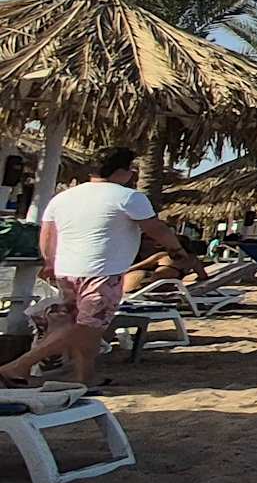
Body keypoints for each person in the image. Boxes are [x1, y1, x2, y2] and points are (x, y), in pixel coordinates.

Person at [1, 149, 197, 388]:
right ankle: (17, 367)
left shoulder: (63, 198)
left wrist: (50, 262)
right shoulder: (128, 197)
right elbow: (156, 229)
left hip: (67, 271)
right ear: (122, 171)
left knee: (79, 324)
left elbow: (47, 235)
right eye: (131, 169)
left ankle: (84, 377)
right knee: (88, 328)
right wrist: (177, 251)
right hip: (102, 271)